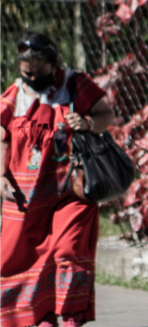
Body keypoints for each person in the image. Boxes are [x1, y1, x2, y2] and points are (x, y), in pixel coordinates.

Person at [0, 32, 115, 327]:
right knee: (17, 256)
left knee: (69, 251)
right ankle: (40, 316)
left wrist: (88, 123)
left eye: (39, 72)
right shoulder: (15, 94)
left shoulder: (75, 83)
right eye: (27, 73)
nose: (32, 78)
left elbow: (105, 114)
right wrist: (1, 176)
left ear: (54, 64)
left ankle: (71, 318)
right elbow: (1, 136)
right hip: (26, 193)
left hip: (71, 189)